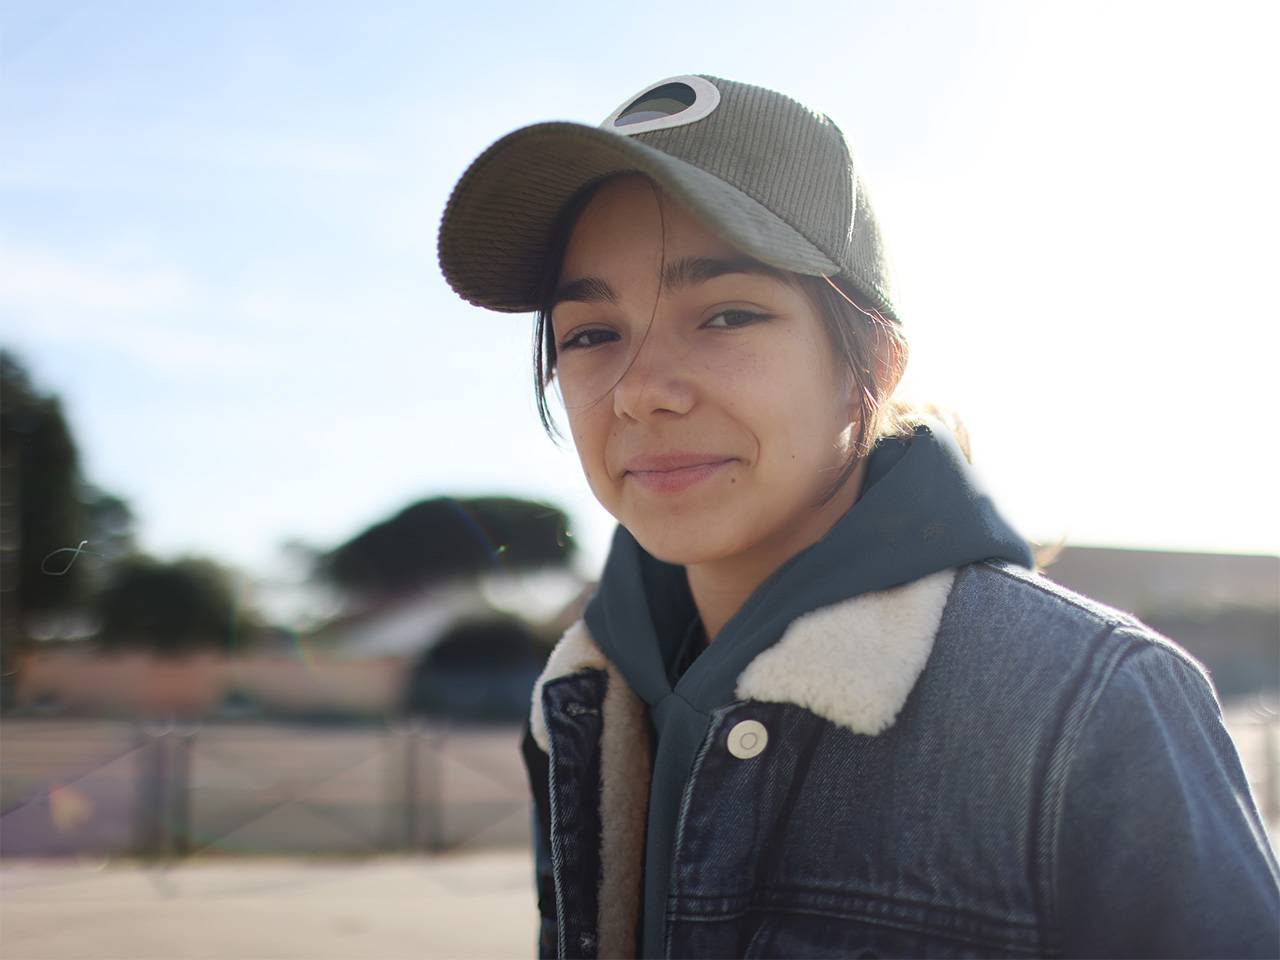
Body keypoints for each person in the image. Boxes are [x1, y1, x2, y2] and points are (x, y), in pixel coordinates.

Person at [437, 74, 1280, 959]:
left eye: (727, 314)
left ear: (872, 359)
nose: (642, 392)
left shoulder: (1093, 702)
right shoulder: (581, 700)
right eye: (590, 334)